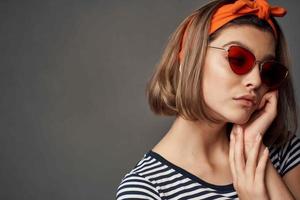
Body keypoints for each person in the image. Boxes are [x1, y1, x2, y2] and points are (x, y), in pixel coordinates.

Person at [116, 0, 300, 199]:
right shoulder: (146, 189)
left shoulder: (283, 150)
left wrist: (253, 145)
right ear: (188, 58)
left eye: (268, 70)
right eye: (238, 59)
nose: (256, 81)